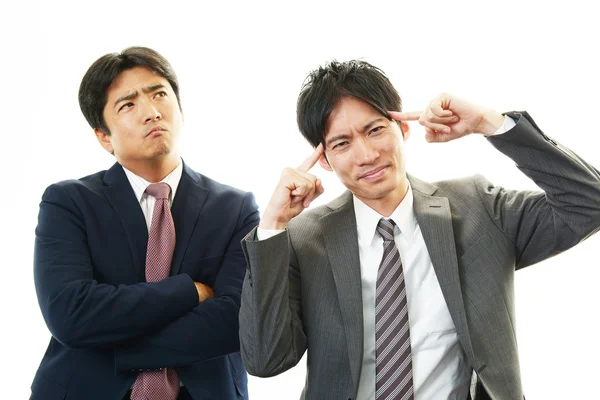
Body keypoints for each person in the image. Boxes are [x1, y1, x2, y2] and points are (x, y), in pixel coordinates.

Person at [238, 60, 600, 400]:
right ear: (326, 161)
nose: (365, 155)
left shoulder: (478, 207)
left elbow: (589, 204)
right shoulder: (304, 238)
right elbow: (266, 361)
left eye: (375, 129)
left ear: (403, 128)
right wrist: (273, 227)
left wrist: (489, 123)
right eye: (342, 143)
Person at [31, 46, 259, 400]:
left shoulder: (235, 208)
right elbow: (70, 312)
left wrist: (113, 346)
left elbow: (233, 321)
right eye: (128, 105)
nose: (151, 112)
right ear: (103, 136)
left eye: (159, 95)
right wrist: (191, 292)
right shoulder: (68, 203)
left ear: (180, 109)